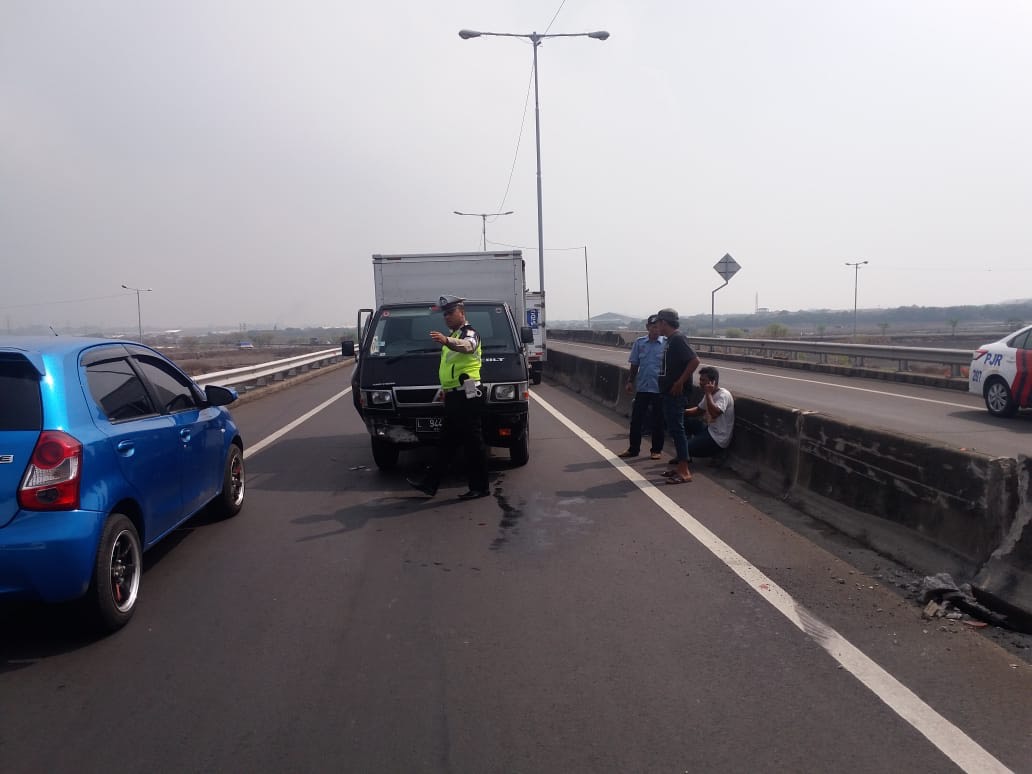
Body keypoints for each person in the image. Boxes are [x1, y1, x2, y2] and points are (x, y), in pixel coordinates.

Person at [407, 295, 490, 500]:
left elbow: (468, 346)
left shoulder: (469, 333)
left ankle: (480, 487)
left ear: (462, 313)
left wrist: (446, 340)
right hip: (454, 395)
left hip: (468, 394)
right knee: (446, 443)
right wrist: (447, 389)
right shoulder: (455, 335)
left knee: (473, 443)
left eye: (451, 313)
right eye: (445, 314)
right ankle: (430, 484)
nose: (447, 317)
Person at [654, 308, 700, 485]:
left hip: (676, 394)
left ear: (664, 322)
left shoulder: (678, 339)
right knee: (674, 429)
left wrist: (680, 381)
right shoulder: (670, 340)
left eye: (658, 323)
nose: (657, 326)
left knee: (678, 430)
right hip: (668, 392)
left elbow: (694, 360)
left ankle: (684, 470)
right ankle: (680, 466)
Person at [618, 314, 666, 460]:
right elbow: (634, 364)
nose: (656, 330)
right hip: (643, 387)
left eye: (658, 327)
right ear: (647, 327)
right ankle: (633, 449)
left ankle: (656, 450)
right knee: (636, 420)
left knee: (658, 421)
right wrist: (630, 381)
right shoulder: (640, 343)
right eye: (653, 327)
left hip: (659, 388)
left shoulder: (666, 343)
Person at [681, 366, 735, 475]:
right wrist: (681, 412)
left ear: (712, 382)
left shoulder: (723, 395)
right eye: (700, 380)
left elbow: (715, 413)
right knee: (684, 420)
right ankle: (687, 451)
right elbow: (698, 410)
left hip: (717, 439)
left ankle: (715, 454)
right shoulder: (709, 394)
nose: (700, 383)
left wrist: (708, 394)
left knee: (683, 449)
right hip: (709, 430)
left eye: (703, 380)